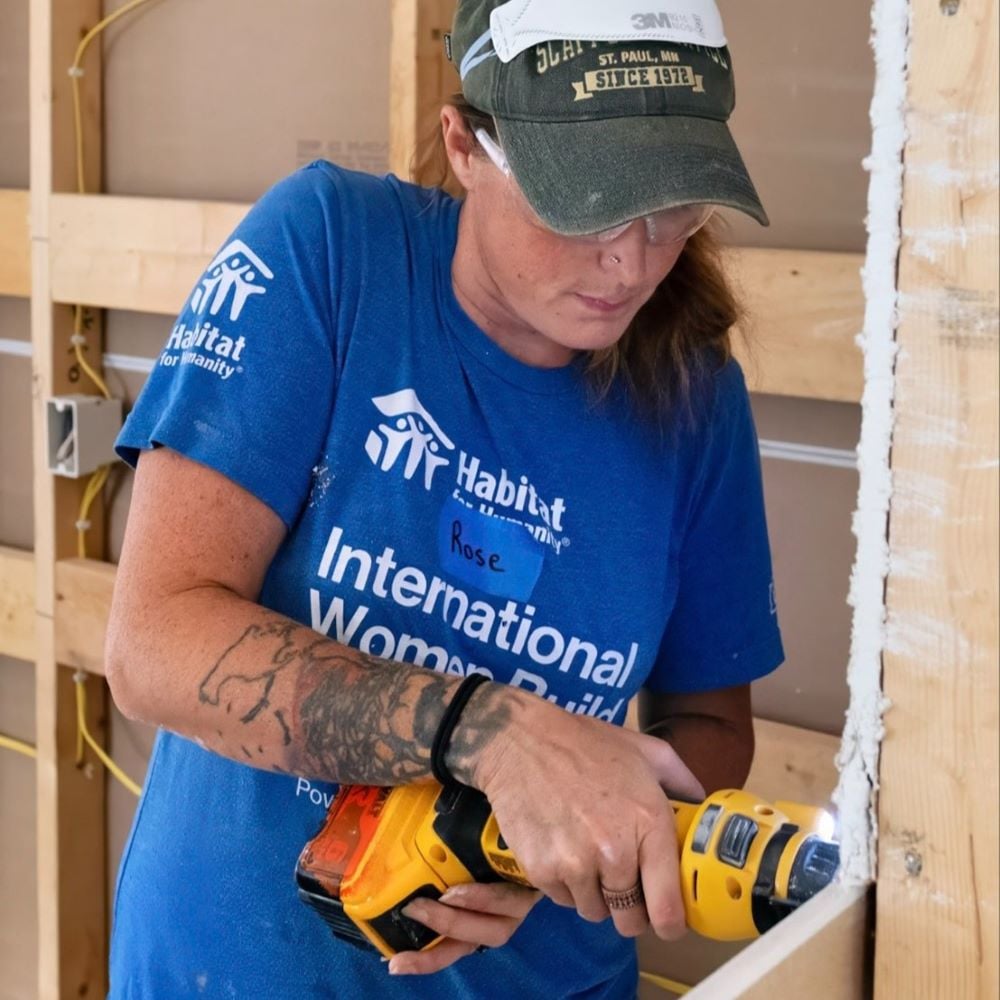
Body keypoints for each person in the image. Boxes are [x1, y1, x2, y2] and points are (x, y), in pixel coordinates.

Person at [105, 1, 784, 996]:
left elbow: (711, 727)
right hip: (237, 968)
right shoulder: (333, 251)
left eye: (673, 211)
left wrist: (558, 856)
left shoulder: (694, 395)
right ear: (463, 142)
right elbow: (153, 642)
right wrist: (490, 736)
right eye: (587, 207)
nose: (632, 261)